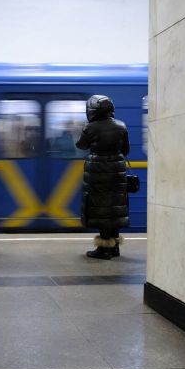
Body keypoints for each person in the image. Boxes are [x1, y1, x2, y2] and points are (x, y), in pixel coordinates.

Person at [75, 95, 130, 260]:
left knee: (101, 208)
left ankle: (104, 249)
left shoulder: (90, 127)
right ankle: (114, 247)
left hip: (99, 171)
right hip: (118, 170)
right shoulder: (121, 126)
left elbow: (81, 145)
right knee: (114, 207)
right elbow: (125, 149)